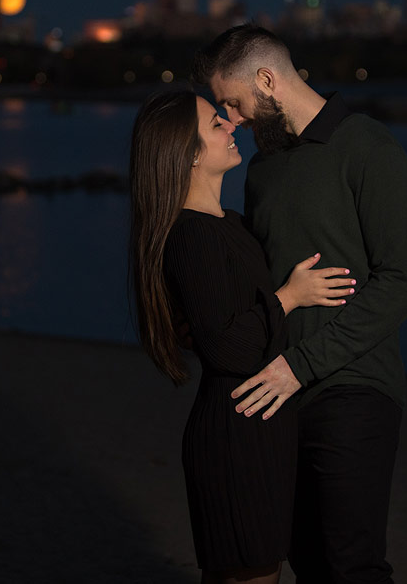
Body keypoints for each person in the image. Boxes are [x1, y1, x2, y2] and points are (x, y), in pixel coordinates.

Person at [193, 25, 407, 584]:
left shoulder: (366, 145)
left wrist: (303, 365)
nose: (234, 117)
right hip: (279, 393)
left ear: (268, 80)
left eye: (233, 100)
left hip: (354, 387)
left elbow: (402, 281)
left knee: (351, 564)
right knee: (306, 562)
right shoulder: (264, 170)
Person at [129, 89, 357, 584]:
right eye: (216, 123)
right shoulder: (191, 235)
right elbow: (229, 346)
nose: (231, 126)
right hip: (235, 436)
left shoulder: (228, 225)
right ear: (188, 154)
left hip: (257, 428)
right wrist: (291, 296)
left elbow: (217, 321)